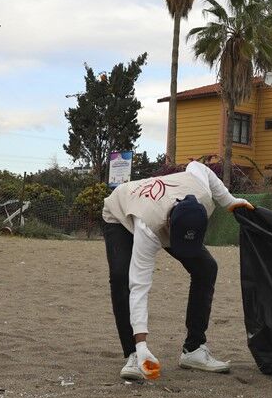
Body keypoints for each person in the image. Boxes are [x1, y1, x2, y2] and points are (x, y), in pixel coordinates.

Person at [102, 160, 254, 381]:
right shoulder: (149, 226)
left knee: (206, 268)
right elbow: (140, 286)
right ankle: (134, 354)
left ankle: (194, 349)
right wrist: (142, 343)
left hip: (166, 210)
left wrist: (230, 201)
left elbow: (197, 166)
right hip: (121, 212)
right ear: (170, 227)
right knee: (122, 277)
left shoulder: (201, 194)